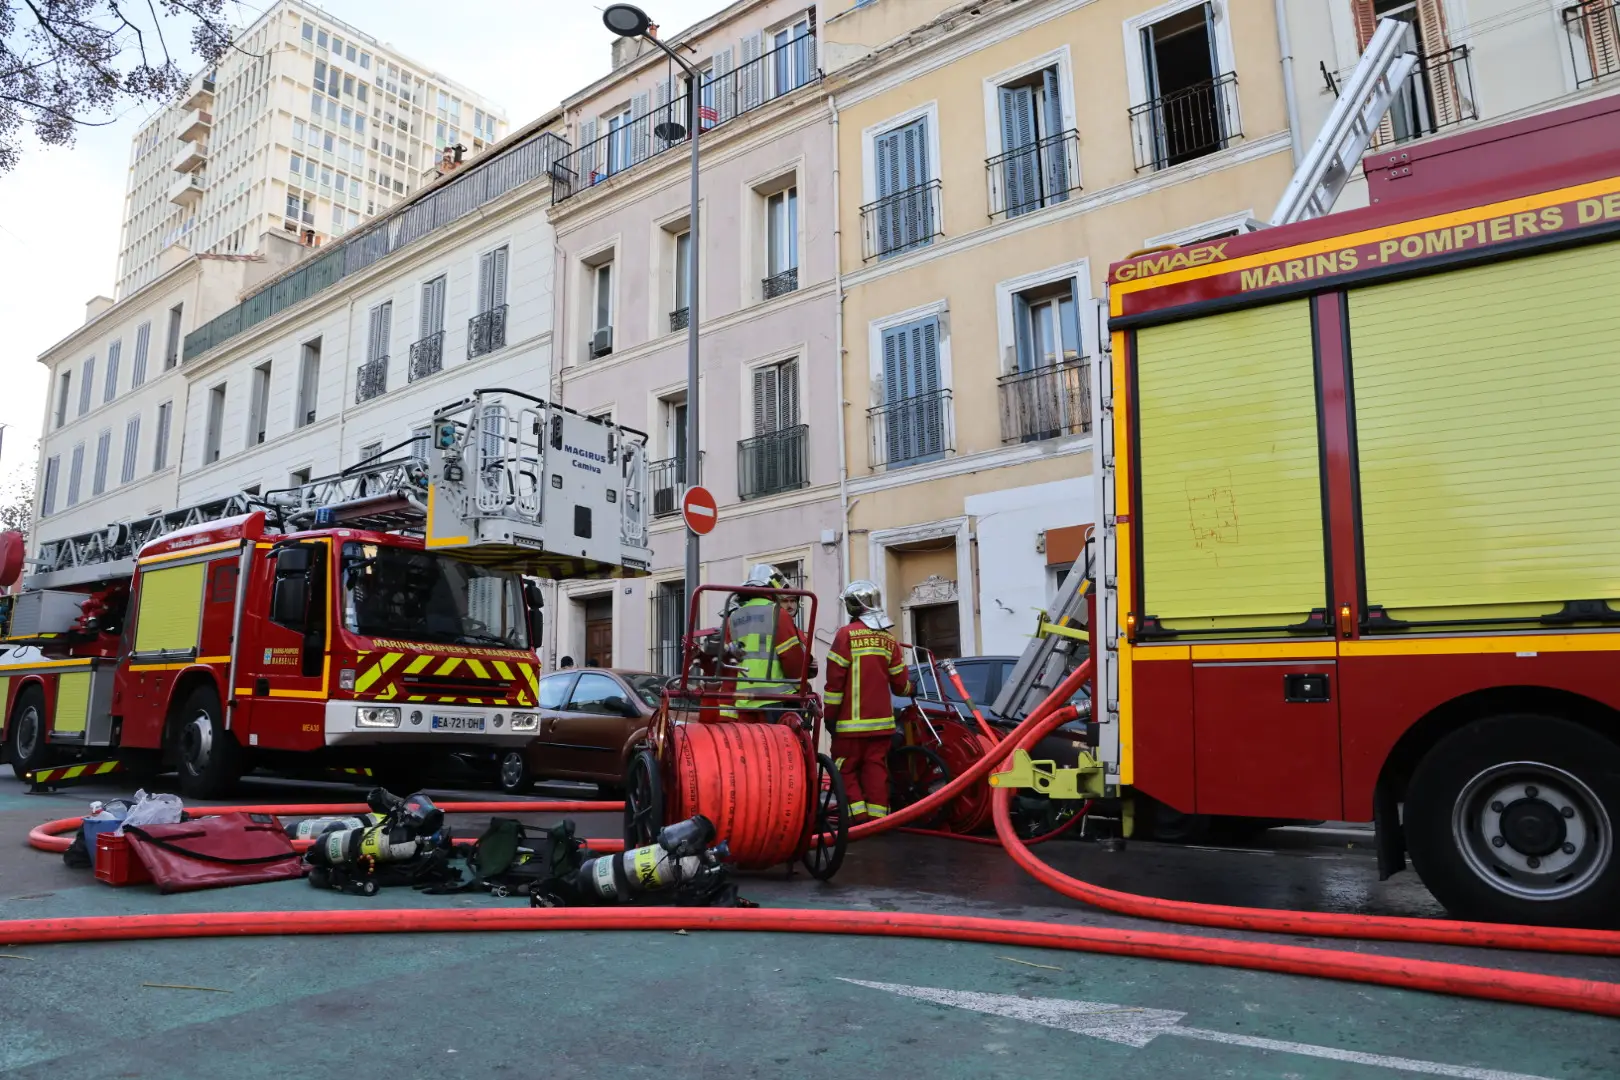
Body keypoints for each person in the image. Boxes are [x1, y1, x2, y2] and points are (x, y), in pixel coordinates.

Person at [824, 580, 912, 823]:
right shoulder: (889, 639)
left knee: (845, 768)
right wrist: (911, 688)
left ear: (853, 606)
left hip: (850, 725)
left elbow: (834, 684)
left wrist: (829, 716)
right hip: (882, 724)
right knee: (876, 768)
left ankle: (858, 817)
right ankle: (877, 819)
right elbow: (901, 686)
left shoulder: (845, 636)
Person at [720, 563, 810, 720]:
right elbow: (792, 660)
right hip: (775, 702)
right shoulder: (778, 614)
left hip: (744, 703)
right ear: (773, 586)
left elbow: (728, 666)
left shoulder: (732, 618)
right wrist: (801, 687)